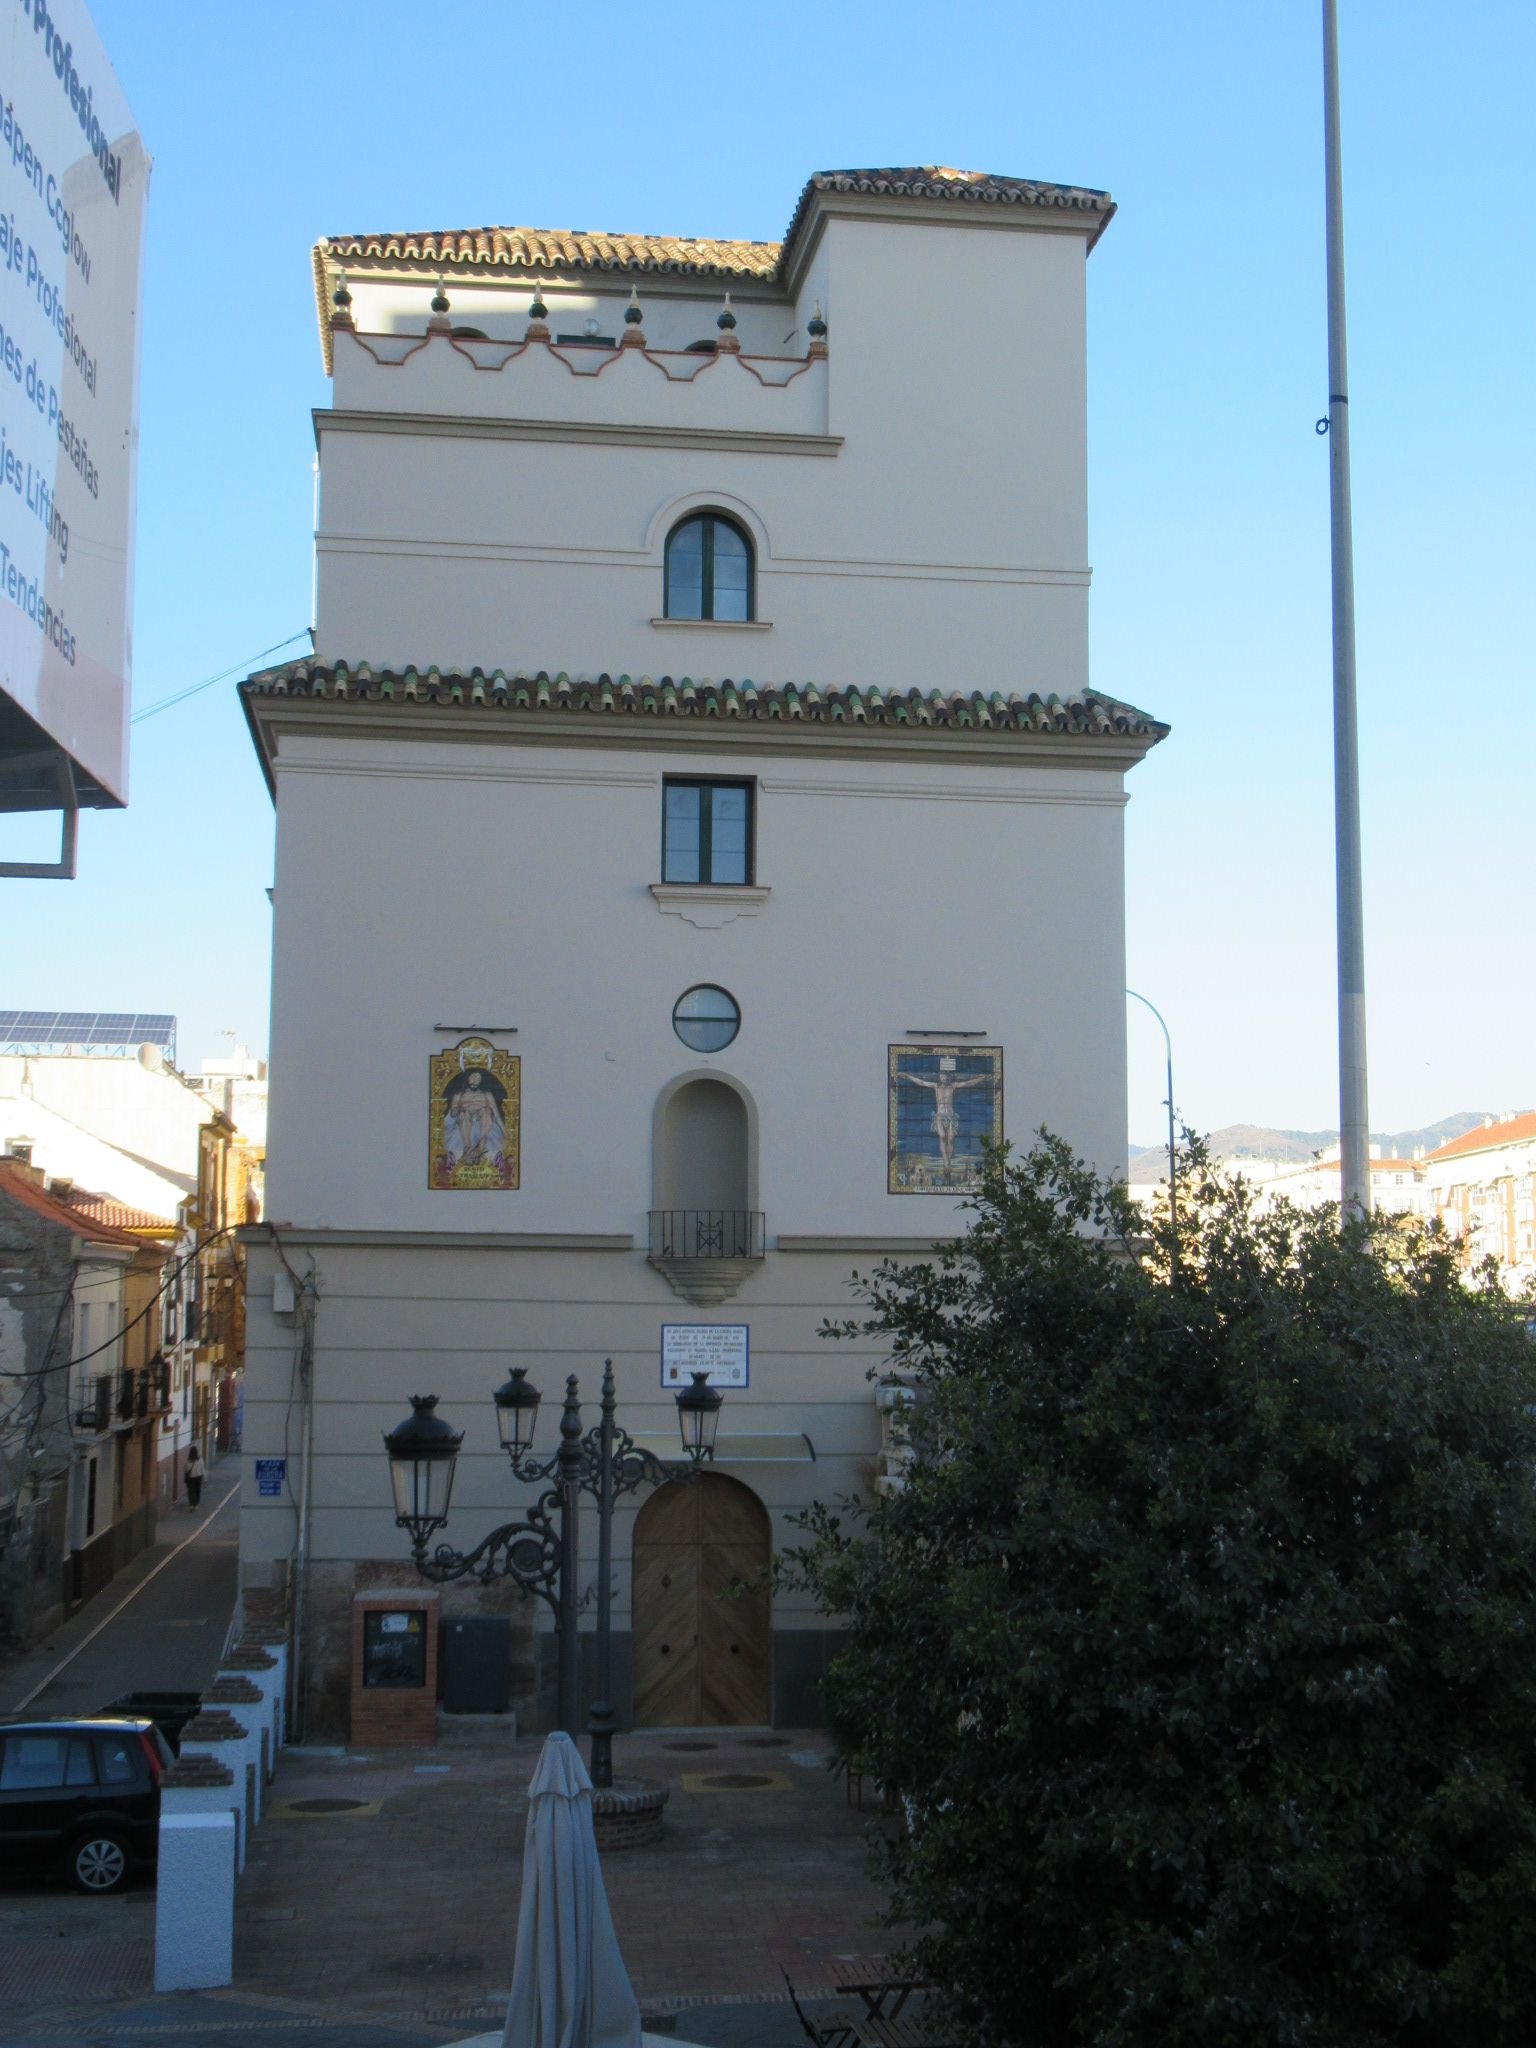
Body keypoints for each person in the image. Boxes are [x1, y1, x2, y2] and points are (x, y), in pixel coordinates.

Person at [184, 1444, 205, 1511]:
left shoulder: (188, 1461)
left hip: (191, 1478)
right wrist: (205, 1478)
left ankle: (191, 1504)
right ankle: (196, 1504)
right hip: (198, 1477)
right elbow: (202, 1468)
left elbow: (186, 1469)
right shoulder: (200, 1459)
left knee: (191, 1491)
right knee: (197, 1490)